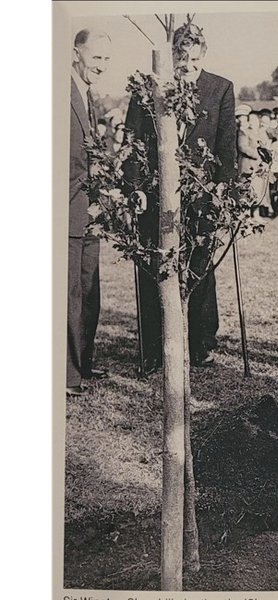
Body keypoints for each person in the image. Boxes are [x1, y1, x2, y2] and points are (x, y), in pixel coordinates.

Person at [123, 23, 236, 372]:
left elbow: (226, 147)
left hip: (201, 196)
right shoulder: (148, 88)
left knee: (199, 267)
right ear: (171, 54)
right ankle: (153, 349)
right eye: (180, 56)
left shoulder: (220, 89)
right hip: (155, 196)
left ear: (203, 55)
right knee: (152, 267)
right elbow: (133, 142)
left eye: (193, 57)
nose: (186, 63)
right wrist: (135, 188)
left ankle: (201, 342)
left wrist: (222, 195)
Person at [67, 29, 112, 396]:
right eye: (96, 57)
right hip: (66, 210)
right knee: (69, 294)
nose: (102, 66)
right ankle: (67, 374)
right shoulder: (59, 92)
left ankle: (84, 361)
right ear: (75, 53)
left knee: (89, 291)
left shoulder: (89, 95)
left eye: (107, 59)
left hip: (90, 212)